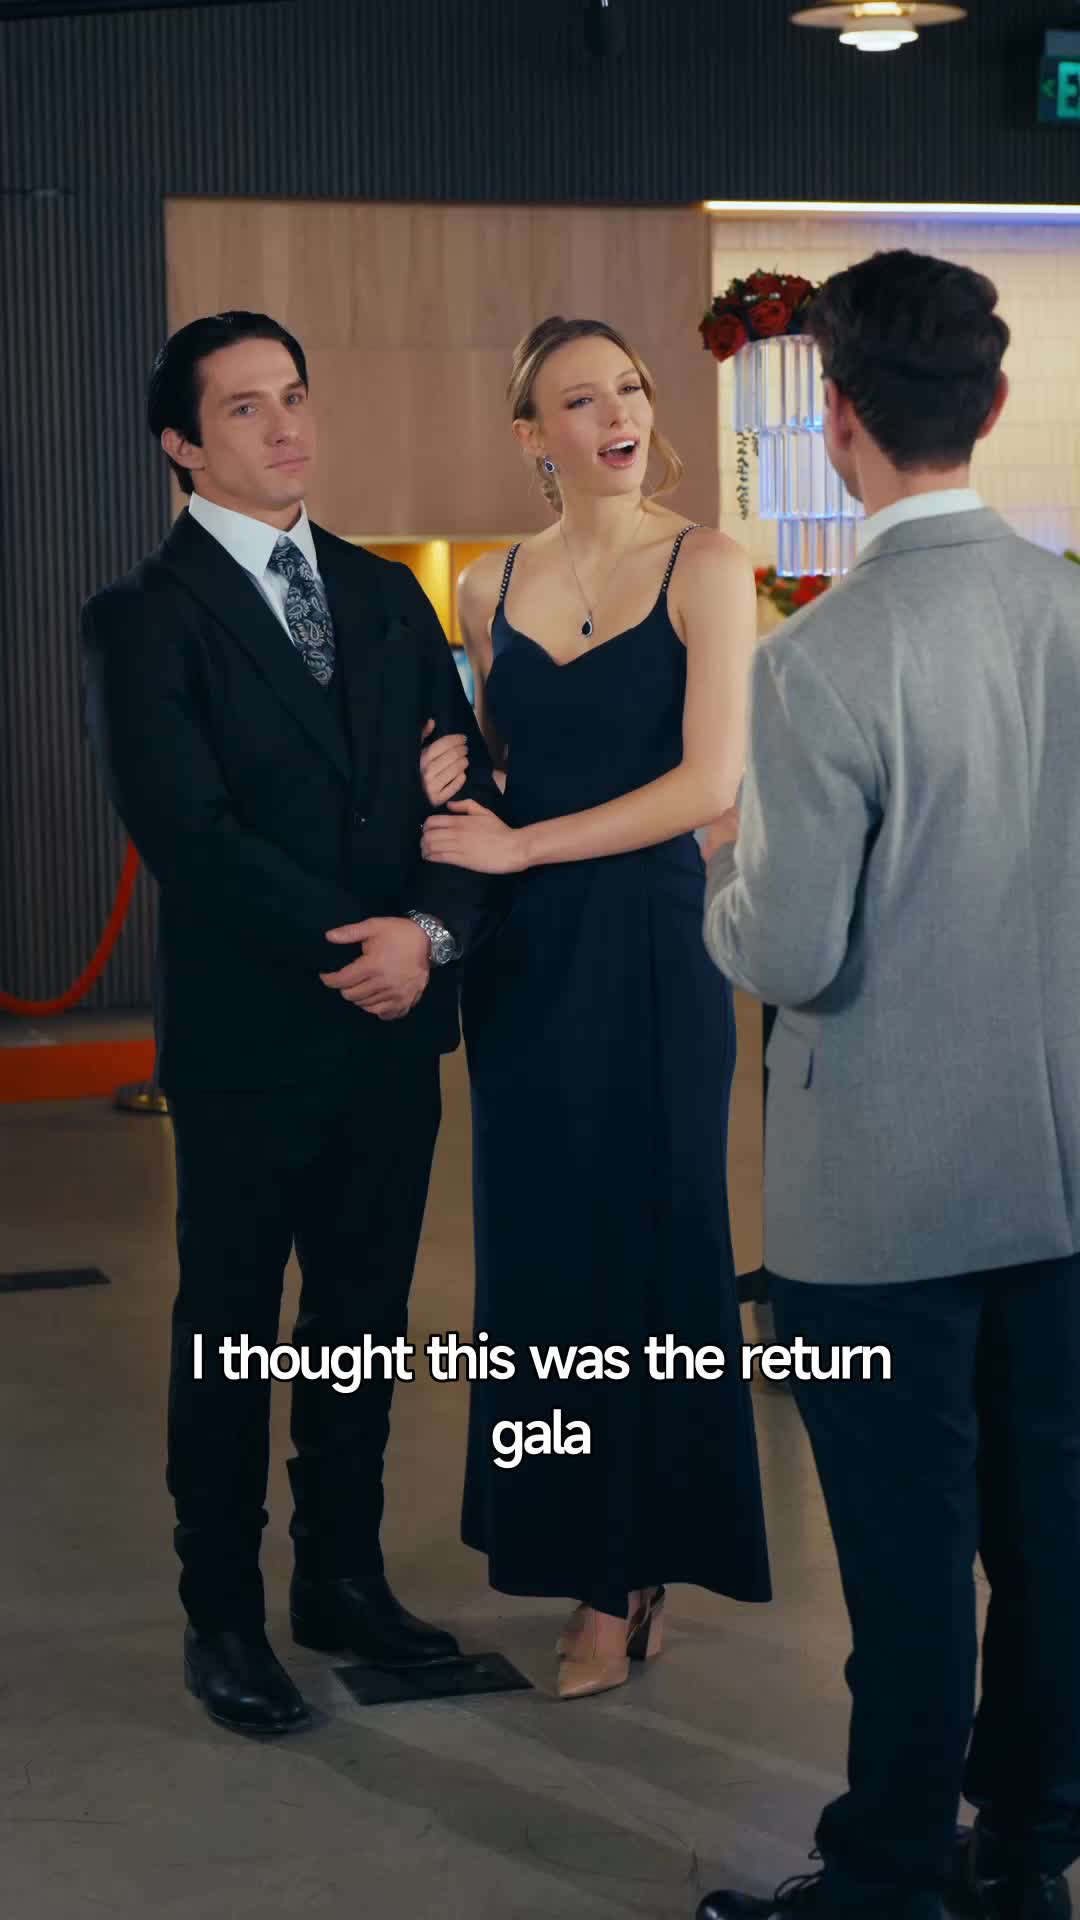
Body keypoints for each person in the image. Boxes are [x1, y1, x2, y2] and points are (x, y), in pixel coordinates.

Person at [698, 249, 1080, 1920]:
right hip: (1065, 1179)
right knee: (1053, 1538)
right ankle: (1034, 1848)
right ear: (989, 405)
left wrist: (723, 865)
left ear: (838, 418)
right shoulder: (1072, 615)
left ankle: (891, 1873)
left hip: (881, 1207)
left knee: (908, 1560)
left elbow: (786, 951)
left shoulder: (820, 661)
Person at [82, 311, 501, 1735]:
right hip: (253, 1042)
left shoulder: (384, 594)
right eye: (246, 407)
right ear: (181, 444)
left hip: (393, 1032)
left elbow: (468, 794)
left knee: (360, 1324)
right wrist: (364, 943)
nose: (286, 426)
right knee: (231, 1331)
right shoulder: (142, 618)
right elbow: (189, 835)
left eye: (296, 396)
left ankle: (342, 1579)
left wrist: (427, 936)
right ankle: (223, 1615)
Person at [418, 315, 772, 1701]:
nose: (619, 414)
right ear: (533, 437)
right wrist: (463, 776)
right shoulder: (486, 585)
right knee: (545, 1270)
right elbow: (510, 774)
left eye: (629, 388)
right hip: (527, 971)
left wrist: (524, 845)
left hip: (654, 951)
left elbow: (709, 785)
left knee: (654, 1257)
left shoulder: (709, 565)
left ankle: (628, 1575)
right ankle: (580, 1549)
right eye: (581, 399)